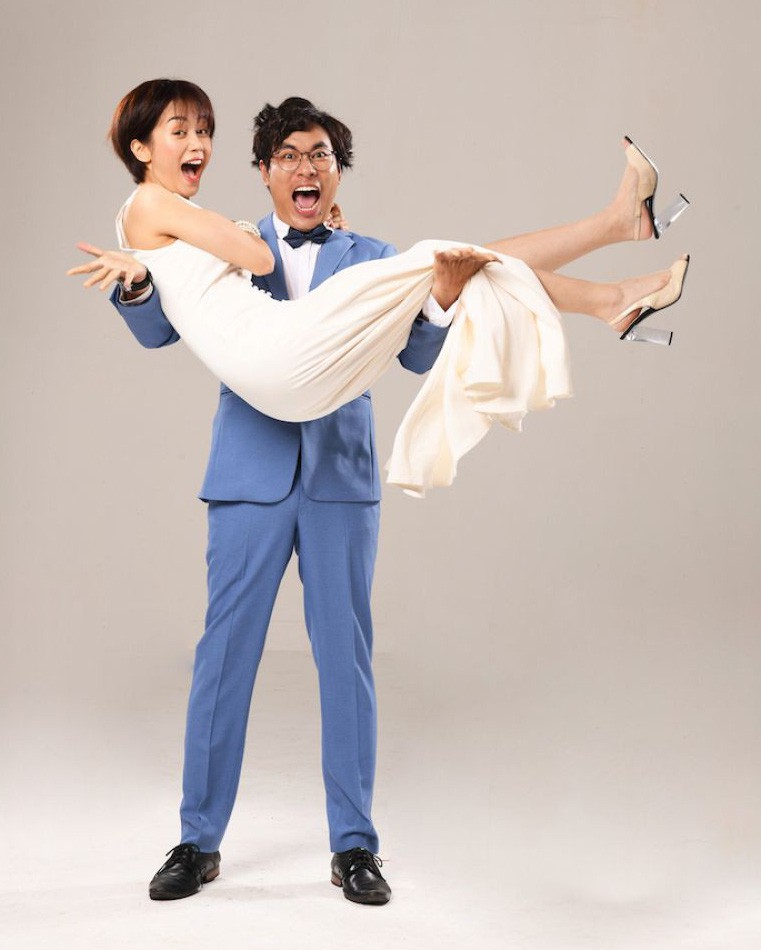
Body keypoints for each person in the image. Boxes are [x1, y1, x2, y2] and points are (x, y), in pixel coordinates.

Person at [69, 79, 690, 904]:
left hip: (339, 480)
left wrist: (441, 301)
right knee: (222, 662)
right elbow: (156, 328)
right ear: (263, 171)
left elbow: (416, 357)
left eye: (320, 156)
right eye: (288, 156)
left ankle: (354, 846)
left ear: (337, 171)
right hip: (250, 478)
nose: (305, 167)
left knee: (346, 664)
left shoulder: (366, 255)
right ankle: (197, 840)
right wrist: (139, 277)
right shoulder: (211, 235)